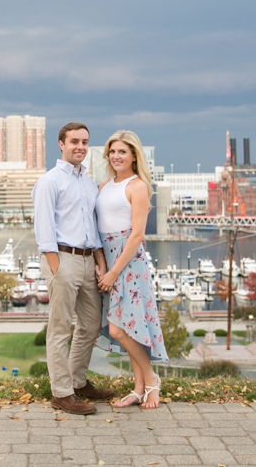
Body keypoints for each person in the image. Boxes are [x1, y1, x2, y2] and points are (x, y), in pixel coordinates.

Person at [32, 122, 115, 415]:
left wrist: (98, 262)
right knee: (60, 328)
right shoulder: (50, 181)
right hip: (62, 259)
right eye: (74, 141)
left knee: (91, 324)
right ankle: (62, 393)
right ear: (61, 144)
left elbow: (93, 227)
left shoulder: (89, 183)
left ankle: (78, 381)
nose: (80, 146)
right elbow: (44, 231)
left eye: (84, 142)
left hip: (87, 260)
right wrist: (57, 268)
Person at [95, 130, 168, 408]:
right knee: (129, 326)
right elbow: (97, 230)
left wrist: (114, 272)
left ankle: (151, 379)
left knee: (119, 329)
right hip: (108, 258)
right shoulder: (104, 185)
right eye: (112, 151)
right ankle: (139, 389)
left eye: (122, 152)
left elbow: (137, 234)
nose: (116, 156)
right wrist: (102, 265)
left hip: (129, 261)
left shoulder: (138, 186)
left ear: (134, 155)